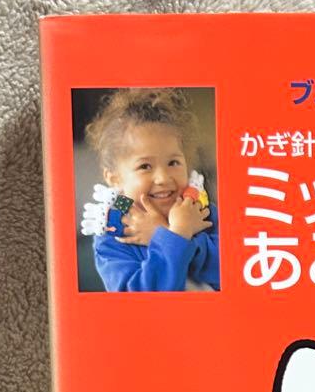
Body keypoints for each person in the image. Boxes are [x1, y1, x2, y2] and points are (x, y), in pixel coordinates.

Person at [84, 88, 220, 292]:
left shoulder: (203, 212)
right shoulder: (113, 237)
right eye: (145, 166)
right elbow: (141, 301)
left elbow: (237, 272)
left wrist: (166, 231)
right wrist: (173, 237)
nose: (163, 178)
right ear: (114, 178)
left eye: (173, 162)